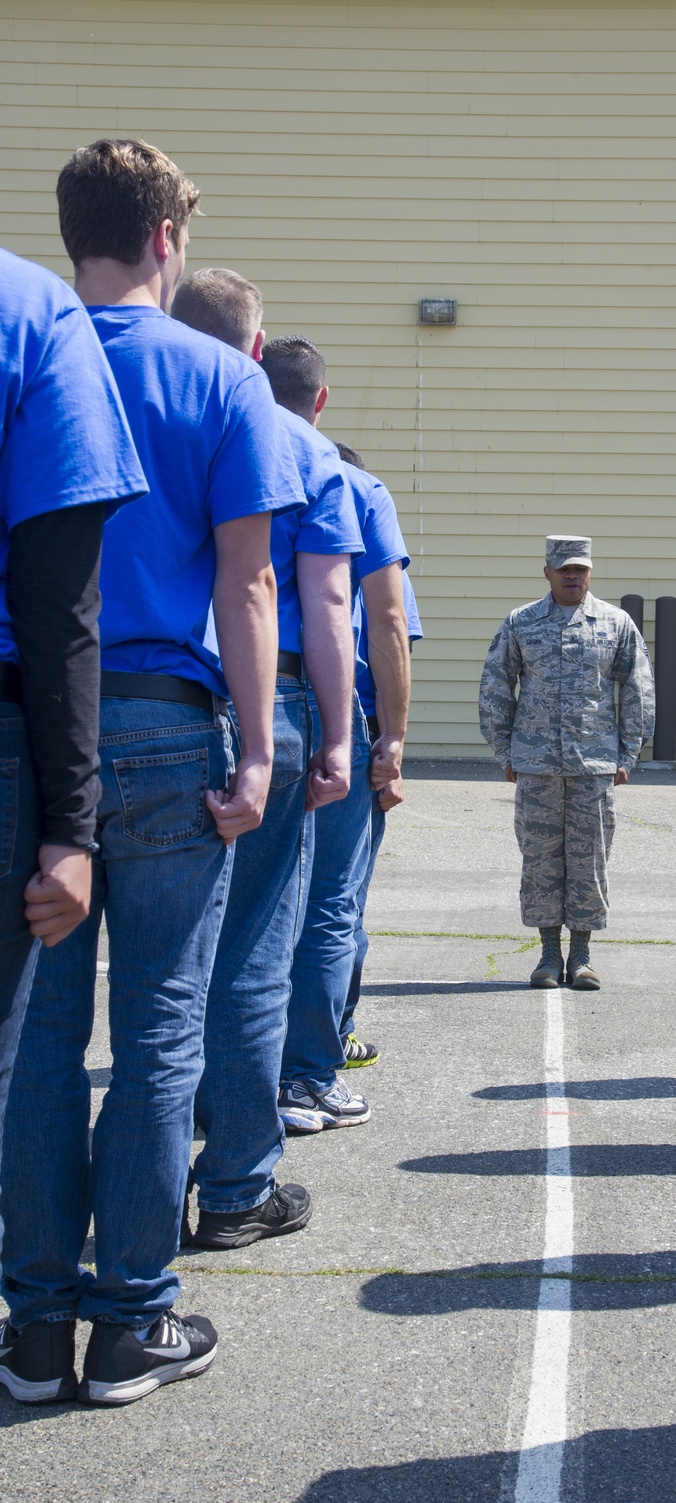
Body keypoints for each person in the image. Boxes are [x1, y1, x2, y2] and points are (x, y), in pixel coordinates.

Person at [0, 139, 304, 1408]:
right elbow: (249, 581)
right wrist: (258, 745)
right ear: (169, 240)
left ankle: (32, 1325)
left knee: (39, 1037)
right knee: (160, 1027)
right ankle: (133, 1318)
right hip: (172, 723)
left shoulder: (31, 347)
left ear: (74, 233)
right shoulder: (222, 381)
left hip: (32, 727)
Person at [169, 270, 363, 1250]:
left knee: (150, 968)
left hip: (134, 694)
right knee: (252, 948)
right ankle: (238, 1180)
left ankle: (131, 1184)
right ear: (255, 351)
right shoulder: (301, 446)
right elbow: (327, 603)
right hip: (269, 695)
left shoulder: (128, 409)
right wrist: (338, 734)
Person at [0, 247, 148, 1405]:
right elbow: (58, 599)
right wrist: (70, 824)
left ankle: (41, 1324)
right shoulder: (31, 311)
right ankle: (94, 1321)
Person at [258, 338, 413, 1135]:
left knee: (245, 910)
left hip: (218, 695)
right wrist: (390, 735)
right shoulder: (351, 481)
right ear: (321, 401)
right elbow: (384, 616)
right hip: (320, 700)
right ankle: (308, 1074)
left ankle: (234, 1084)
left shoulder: (223, 448)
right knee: (328, 902)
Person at [479, 535, 654, 989]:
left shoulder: (615, 623)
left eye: (580, 568)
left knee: (588, 861)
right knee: (539, 860)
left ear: (590, 571)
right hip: (536, 765)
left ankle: (581, 955)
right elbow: (496, 685)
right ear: (547, 573)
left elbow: (637, 688)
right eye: (564, 569)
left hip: (593, 764)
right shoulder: (521, 622)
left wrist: (627, 753)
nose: (572, 576)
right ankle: (547, 955)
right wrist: (505, 749)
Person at [338, 448, 425, 1070]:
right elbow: (392, 628)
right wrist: (392, 743)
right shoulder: (367, 513)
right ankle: (328, 1038)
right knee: (338, 904)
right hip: (354, 729)